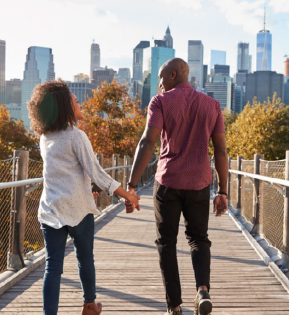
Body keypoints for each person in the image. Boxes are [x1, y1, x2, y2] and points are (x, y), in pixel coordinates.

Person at [125, 58, 229, 315]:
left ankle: (174, 307)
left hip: (168, 182)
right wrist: (223, 191)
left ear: (173, 75)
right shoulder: (212, 105)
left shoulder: (160, 102)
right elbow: (222, 151)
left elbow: (147, 144)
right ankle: (202, 290)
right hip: (199, 182)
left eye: (161, 78)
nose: (159, 84)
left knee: (166, 243)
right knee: (198, 239)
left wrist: (131, 184)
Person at [27, 80, 139, 315]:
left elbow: (62, 174)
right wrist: (128, 195)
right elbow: (97, 173)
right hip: (78, 210)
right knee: (85, 258)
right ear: (64, 108)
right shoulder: (76, 136)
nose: (80, 104)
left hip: (51, 210)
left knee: (53, 267)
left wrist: (85, 188)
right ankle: (89, 306)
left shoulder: (45, 138)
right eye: (75, 102)